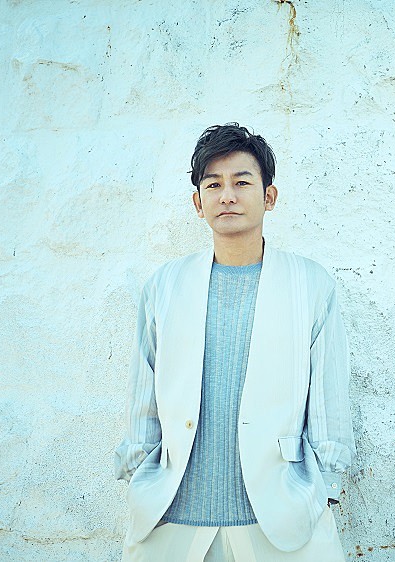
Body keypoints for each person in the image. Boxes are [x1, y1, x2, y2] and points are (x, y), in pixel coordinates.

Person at [114, 123, 355, 561]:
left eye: (242, 182)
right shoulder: (165, 286)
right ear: (198, 202)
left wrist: (322, 489)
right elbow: (142, 397)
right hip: (172, 520)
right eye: (214, 184)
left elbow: (329, 402)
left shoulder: (310, 284)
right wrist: (139, 478)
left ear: (269, 197)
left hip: (281, 522)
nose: (227, 195)